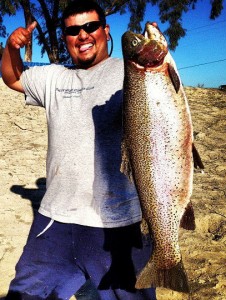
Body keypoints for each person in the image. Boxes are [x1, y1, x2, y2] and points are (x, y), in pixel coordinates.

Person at [1, 1, 156, 299]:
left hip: (118, 223)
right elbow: (12, 77)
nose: (82, 35)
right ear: (65, 38)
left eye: (91, 27)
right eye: (73, 30)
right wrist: (11, 48)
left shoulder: (131, 72)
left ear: (106, 31)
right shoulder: (55, 77)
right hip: (54, 221)